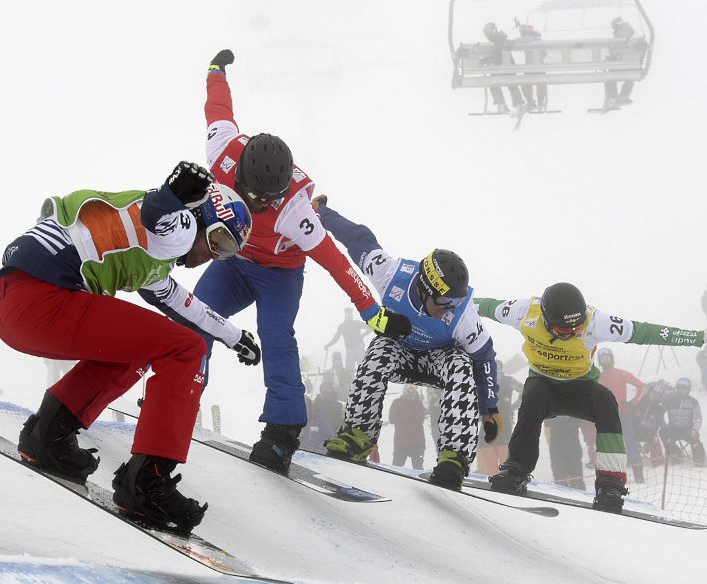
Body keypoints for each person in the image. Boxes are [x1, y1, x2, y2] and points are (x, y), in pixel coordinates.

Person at [0, 161, 260, 534]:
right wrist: (175, 191)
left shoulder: (151, 257)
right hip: (44, 301)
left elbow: (185, 303)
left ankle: (49, 434)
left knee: (142, 345)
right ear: (199, 216)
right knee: (187, 349)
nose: (214, 255)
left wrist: (233, 336)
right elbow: (157, 213)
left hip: (15, 304)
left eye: (228, 251)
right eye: (218, 240)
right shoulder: (179, 230)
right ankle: (147, 483)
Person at [191, 50, 410, 476]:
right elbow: (218, 107)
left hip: (279, 275)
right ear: (240, 179)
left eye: (270, 199)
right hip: (235, 260)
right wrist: (216, 71)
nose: (262, 205)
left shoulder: (295, 211)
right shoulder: (221, 152)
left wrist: (375, 315)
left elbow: (338, 264)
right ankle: (180, 393)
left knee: (275, 335)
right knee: (196, 315)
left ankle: (283, 428)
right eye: (257, 196)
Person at [477, 282, 707, 511]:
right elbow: (479, 305)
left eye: (576, 328)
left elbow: (645, 332)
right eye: (563, 330)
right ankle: (516, 470)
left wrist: (698, 337)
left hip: (580, 388)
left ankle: (611, 482)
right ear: (544, 317)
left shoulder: (594, 322)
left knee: (606, 401)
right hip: (543, 385)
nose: (572, 333)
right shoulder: (524, 312)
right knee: (530, 397)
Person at [320, 204, 501, 490]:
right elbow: (358, 239)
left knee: (462, 363)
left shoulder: (463, 315)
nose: (449, 309)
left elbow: (484, 357)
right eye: (445, 302)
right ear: (425, 289)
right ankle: (358, 436)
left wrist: (490, 407)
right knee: (379, 348)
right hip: (401, 351)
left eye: (455, 302)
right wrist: (321, 213)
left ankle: (454, 458)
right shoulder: (390, 275)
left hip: (438, 358)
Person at [596, 348, 646, 483]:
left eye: (607, 357)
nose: (605, 360)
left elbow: (641, 386)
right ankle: (615, 475)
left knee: (630, 442)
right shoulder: (598, 377)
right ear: (599, 361)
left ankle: (638, 474)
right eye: (602, 358)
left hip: (624, 414)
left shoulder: (621, 373)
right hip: (607, 417)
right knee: (610, 446)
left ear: (612, 359)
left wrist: (633, 402)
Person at [475, 360, 521, 474]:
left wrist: (514, 405)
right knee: (490, 447)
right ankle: (495, 475)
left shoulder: (506, 380)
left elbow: (524, 390)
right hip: (492, 419)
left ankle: (500, 475)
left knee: (500, 448)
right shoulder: (484, 382)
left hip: (500, 419)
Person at [481, 22, 527, 115]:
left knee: (492, 82)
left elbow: (498, 55)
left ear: (491, 32)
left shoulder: (497, 40)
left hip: (502, 66)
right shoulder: (500, 38)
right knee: (511, 84)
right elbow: (499, 53)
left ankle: (501, 105)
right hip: (508, 65)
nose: (486, 36)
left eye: (487, 34)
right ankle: (518, 104)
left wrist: (485, 60)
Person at [660, 377, 706, 464]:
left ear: (688, 389)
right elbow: (660, 414)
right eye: (680, 388)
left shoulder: (693, 401)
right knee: (663, 432)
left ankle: (699, 458)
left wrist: (695, 429)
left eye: (685, 388)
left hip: (687, 429)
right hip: (673, 428)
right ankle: (676, 454)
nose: (683, 390)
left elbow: (698, 418)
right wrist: (664, 425)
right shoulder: (670, 400)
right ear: (677, 388)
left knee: (695, 439)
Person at [602, 17, 643, 111]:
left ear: (616, 26)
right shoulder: (632, 33)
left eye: (614, 27)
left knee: (610, 77)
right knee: (630, 78)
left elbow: (616, 50)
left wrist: (608, 59)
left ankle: (612, 97)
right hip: (632, 63)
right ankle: (624, 95)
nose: (613, 29)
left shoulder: (620, 34)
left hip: (621, 63)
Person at [388, 385, 427, 469]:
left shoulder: (419, 403)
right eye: (408, 386)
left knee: (418, 469)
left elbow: (420, 420)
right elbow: (392, 419)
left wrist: (404, 420)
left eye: (413, 387)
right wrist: (408, 419)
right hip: (401, 442)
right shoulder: (397, 402)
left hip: (417, 441)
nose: (410, 389)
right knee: (396, 469)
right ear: (404, 388)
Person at [513, 20, 547, 112]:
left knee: (526, 83)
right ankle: (540, 102)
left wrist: (509, 41)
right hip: (541, 66)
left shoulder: (527, 38)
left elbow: (516, 41)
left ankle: (530, 102)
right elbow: (545, 52)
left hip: (530, 66)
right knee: (541, 84)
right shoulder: (539, 39)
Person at [545, 416, 586, 489]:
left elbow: (577, 422)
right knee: (561, 470)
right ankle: (564, 484)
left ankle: (574, 484)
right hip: (558, 436)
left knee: (573, 468)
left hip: (569, 437)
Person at [324, 309, 368, 373]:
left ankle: (364, 381)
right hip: (349, 349)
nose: (349, 315)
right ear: (345, 315)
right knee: (349, 370)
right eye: (347, 314)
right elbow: (336, 338)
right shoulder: (342, 326)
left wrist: (363, 335)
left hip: (359, 348)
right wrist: (328, 345)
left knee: (363, 368)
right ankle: (351, 382)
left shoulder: (357, 323)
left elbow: (369, 327)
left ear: (352, 315)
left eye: (350, 313)